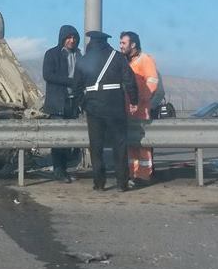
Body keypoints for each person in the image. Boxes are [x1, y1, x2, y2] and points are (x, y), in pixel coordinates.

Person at [73, 30, 138, 191]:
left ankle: (99, 183)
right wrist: (134, 100)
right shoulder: (117, 57)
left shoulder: (84, 59)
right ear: (105, 42)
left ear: (91, 43)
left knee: (96, 147)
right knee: (120, 145)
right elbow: (129, 80)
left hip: (93, 107)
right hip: (115, 106)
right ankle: (122, 184)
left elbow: (76, 87)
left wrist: (84, 104)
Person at [42, 25, 81, 183]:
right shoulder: (52, 54)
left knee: (70, 139)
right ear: (62, 38)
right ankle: (59, 171)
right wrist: (70, 82)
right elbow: (48, 75)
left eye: (74, 38)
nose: (72, 40)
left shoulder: (79, 55)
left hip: (74, 102)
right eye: (69, 37)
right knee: (58, 139)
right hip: (58, 102)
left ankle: (65, 169)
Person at [119, 31, 159, 182]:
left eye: (123, 43)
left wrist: (140, 101)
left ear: (133, 44)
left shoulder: (145, 60)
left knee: (142, 144)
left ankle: (144, 174)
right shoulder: (124, 61)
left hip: (141, 110)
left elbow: (152, 82)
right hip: (127, 109)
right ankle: (132, 173)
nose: (120, 46)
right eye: (120, 42)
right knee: (131, 143)